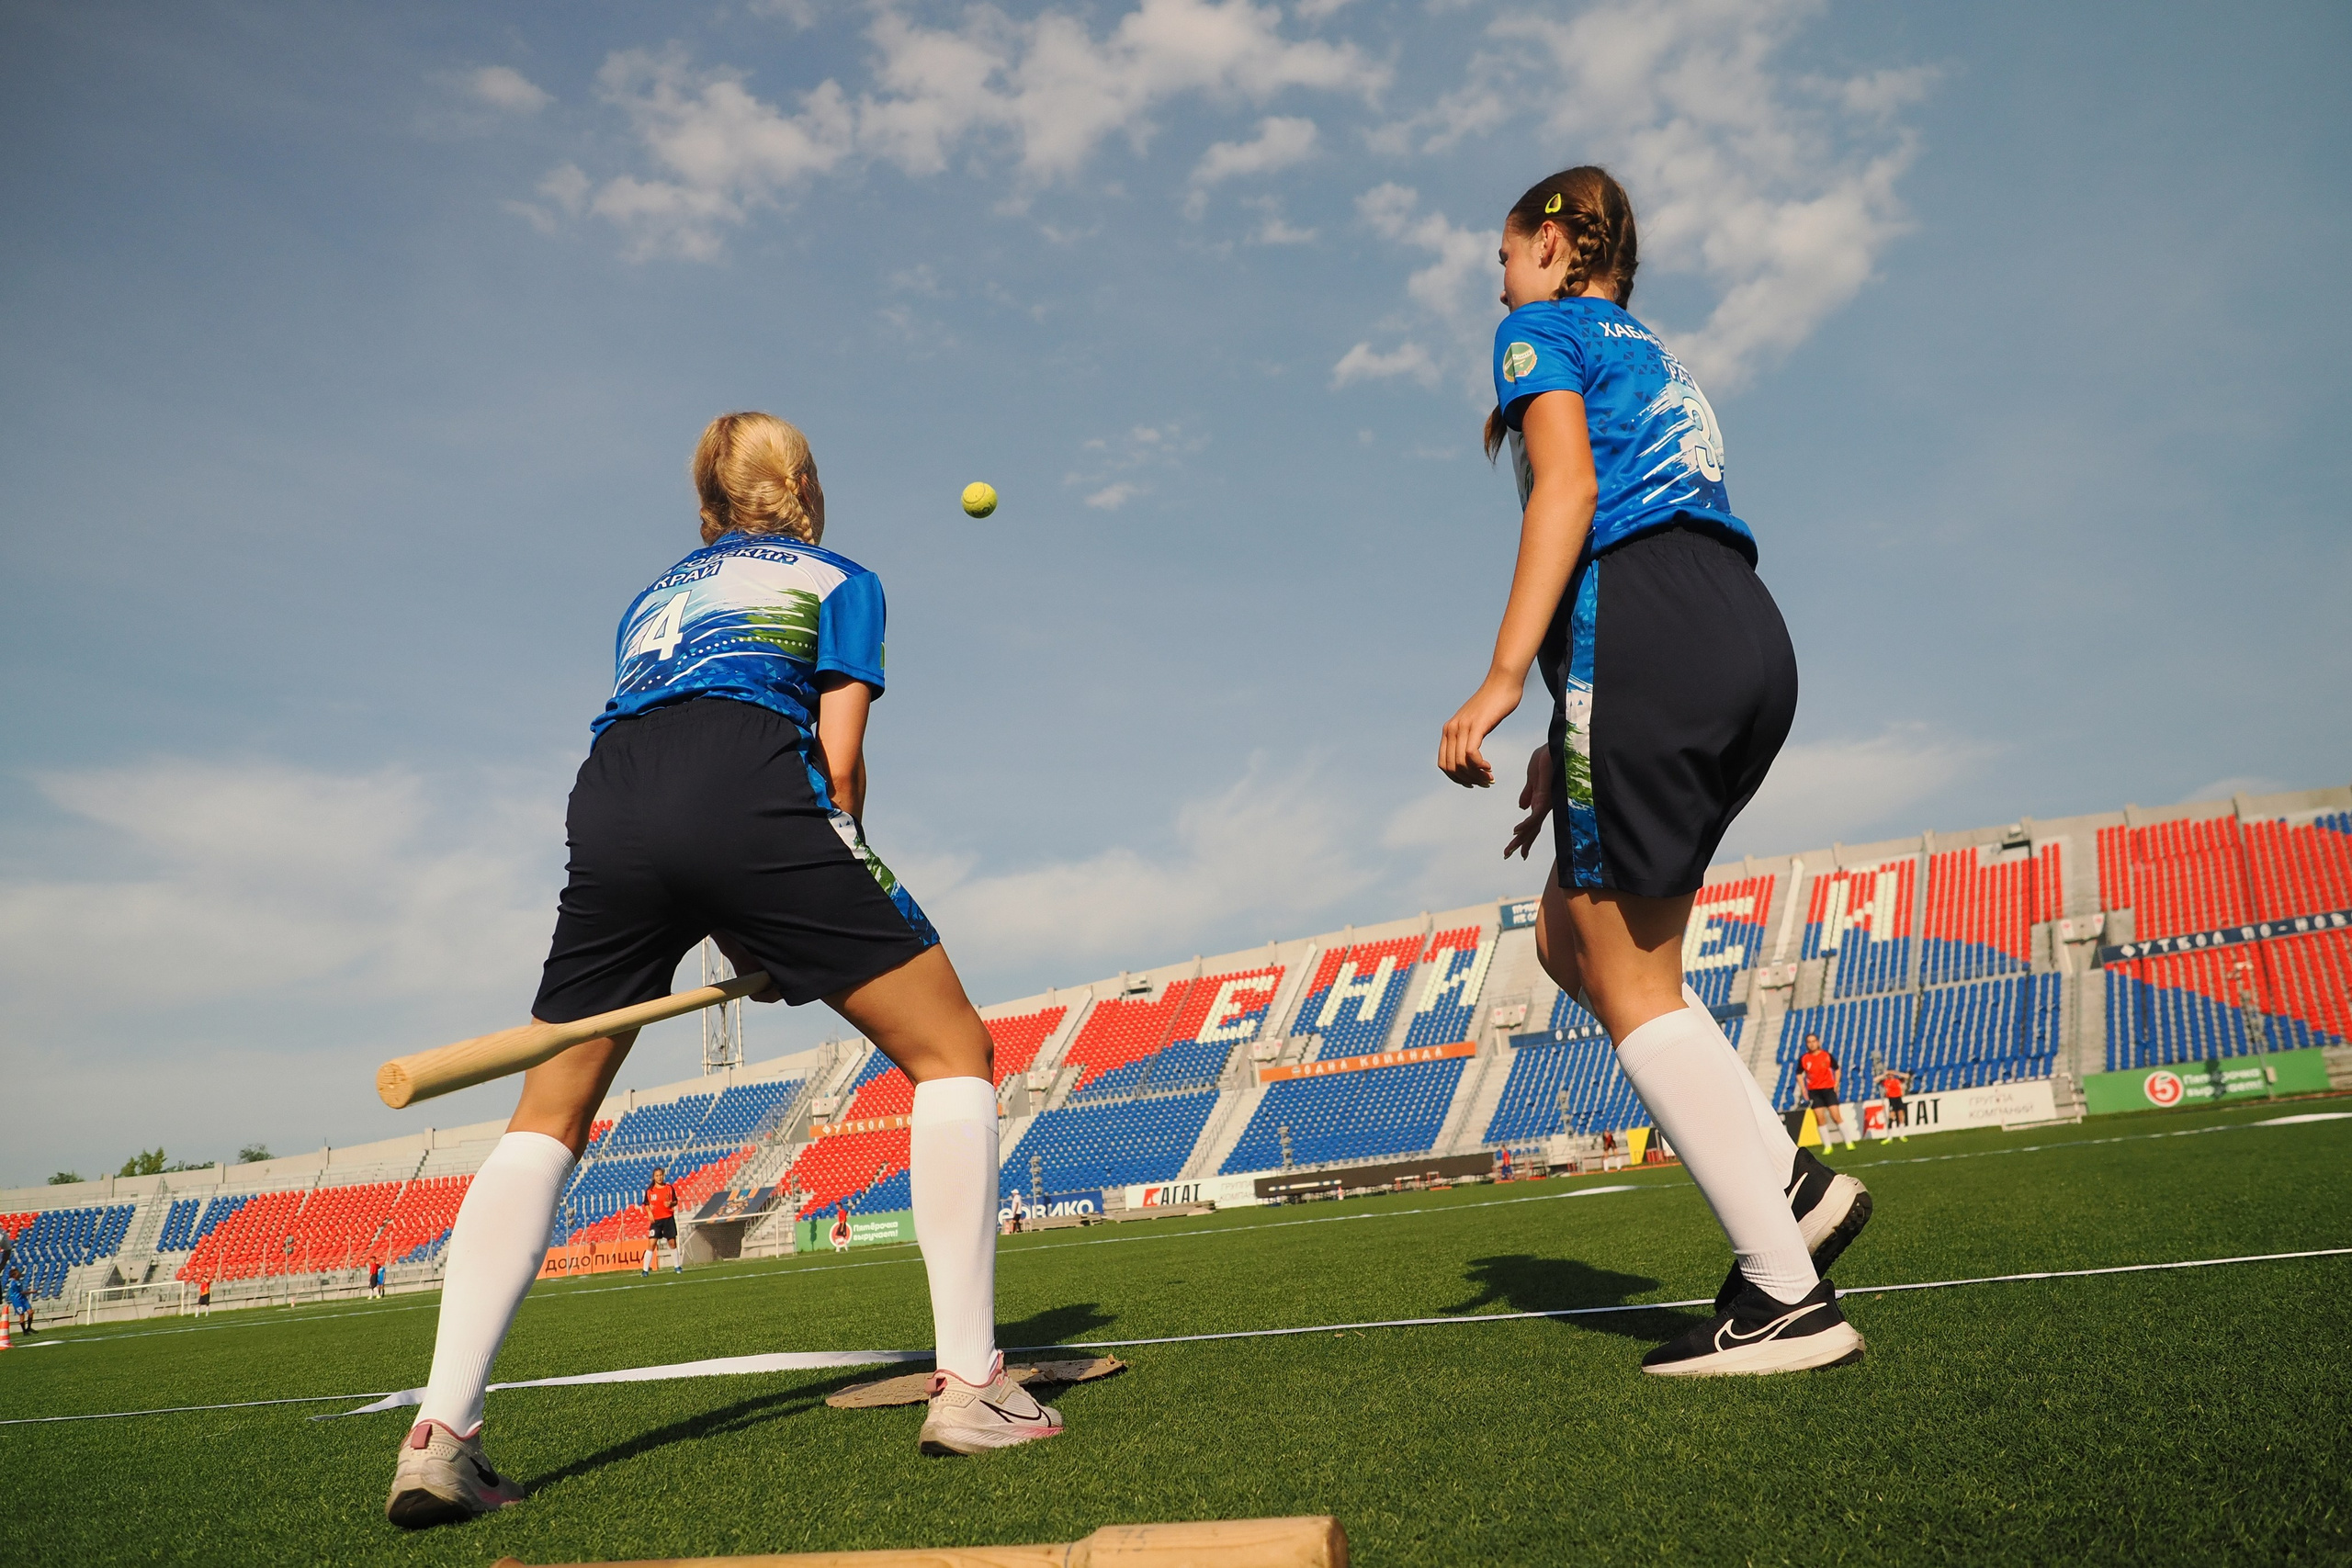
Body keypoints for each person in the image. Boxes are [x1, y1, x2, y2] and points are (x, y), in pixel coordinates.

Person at [386, 413, 1059, 1531]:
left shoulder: (648, 600)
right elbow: (833, 769)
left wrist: (759, 933)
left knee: (547, 1110)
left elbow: (675, 795)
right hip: (748, 782)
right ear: (806, 488)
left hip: (610, 799)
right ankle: (974, 1384)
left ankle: (439, 1435)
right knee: (952, 1052)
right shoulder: (842, 578)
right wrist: (794, 925)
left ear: (706, 507)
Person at [1439, 168, 1871, 1377]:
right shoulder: (1654, 350)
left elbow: (1572, 491)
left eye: (1508, 252)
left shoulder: (1539, 329)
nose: (1501, 278)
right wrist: (1564, 725)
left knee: (1629, 974)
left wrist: (1503, 674)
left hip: (1643, 619)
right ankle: (1786, 1177)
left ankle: (1788, 1295)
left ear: (1557, 241)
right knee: (1566, 937)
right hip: (1735, 625)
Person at [1797, 1034, 1852, 1150]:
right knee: (1820, 1118)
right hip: (1814, 1092)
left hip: (1828, 1089)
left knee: (1836, 1116)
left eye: (1813, 1041)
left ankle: (1849, 1142)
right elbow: (1799, 1074)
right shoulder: (1804, 1058)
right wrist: (1803, 1088)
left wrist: (1836, 1083)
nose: (1812, 1044)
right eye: (1809, 1042)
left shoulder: (1826, 1055)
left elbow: (1837, 1069)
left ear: (1818, 1042)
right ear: (1806, 1044)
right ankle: (1828, 1146)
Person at [641, 1168, 682, 1275]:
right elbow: (646, 1204)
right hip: (656, 1221)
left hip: (668, 1218)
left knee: (672, 1243)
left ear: (663, 1176)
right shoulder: (650, 1191)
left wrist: (671, 1204)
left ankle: (677, 1267)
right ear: (653, 1177)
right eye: (657, 1176)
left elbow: (675, 1201)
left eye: (660, 1175)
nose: (659, 1177)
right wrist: (649, 1212)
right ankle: (645, 1270)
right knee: (652, 1243)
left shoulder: (669, 1188)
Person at [1878, 1066, 1911, 1144]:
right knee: (1891, 1117)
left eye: (1891, 1074)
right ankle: (1889, 1137)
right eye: (1889, 1074)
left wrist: (1896, 1073)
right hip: (1891, 1100)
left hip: (1898, 1099)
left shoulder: (1898, 1080)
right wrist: (1884, 1074)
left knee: (1901, 1117)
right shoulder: (1885, 1081)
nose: (1890, 1076)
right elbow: (1875, 1079)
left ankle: (1902, 1135)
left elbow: (1907, 1076)